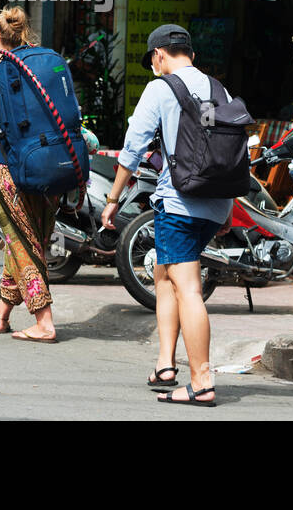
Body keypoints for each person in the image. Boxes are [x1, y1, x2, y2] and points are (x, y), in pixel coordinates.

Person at [101, 24, 226, 406]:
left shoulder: (161, 88)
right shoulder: (214, 88)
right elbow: (208, 143)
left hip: (180, 203)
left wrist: (112, 199)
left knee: (187, 286)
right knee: (164, 274)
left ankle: (202, 380)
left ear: (159, 55)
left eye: (152, 60)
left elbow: (132, 147)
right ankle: (165, 364)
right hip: (215, 203)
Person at [0, 6, 60, 343]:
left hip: (4, 166)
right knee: (24, 237)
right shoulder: (42, 66)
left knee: (21, 239)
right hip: (48, 164)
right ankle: (1, 316)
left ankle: (44, 321)